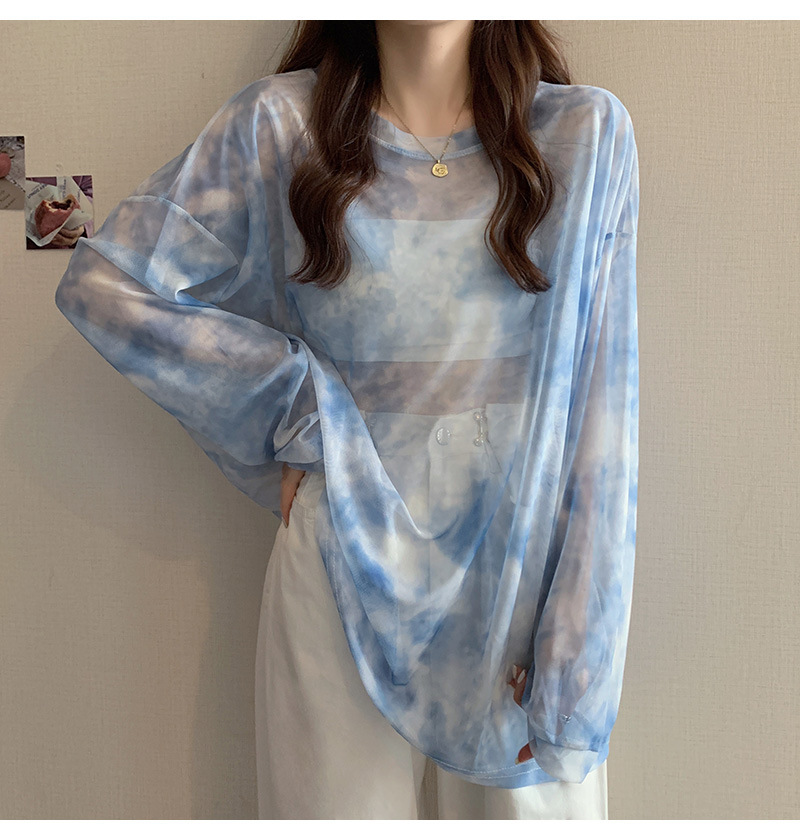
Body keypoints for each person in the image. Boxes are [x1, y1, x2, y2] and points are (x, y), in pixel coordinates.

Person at [54, 20, 639, 819]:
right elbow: (108, 290)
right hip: (339, 564)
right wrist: (299, 402)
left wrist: (578, 654)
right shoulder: (278, 127)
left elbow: (604, 416)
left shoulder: (584, 137)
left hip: (519, 588)